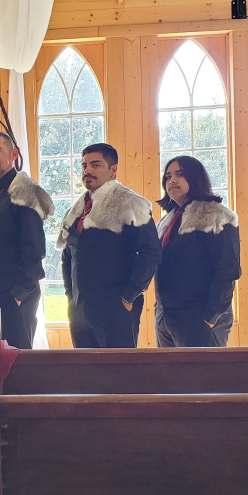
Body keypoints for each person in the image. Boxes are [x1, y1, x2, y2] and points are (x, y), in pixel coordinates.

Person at [58, 143, 162, 348]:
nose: (87, 170)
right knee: (86, 374)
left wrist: (129, 296)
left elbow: (151, 252)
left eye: (95, 165)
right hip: (79, 310)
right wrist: (71, 294)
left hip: (117, 309)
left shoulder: (131, 204)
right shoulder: (77, 209)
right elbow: (68, 253)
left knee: (120, 375)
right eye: (84, 166)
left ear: (113, 169)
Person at [0, 132, 53, 349]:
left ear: (13, 154)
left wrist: (19, 294)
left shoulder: (24, 192)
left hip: (16, 295)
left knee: (17, 365)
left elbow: (34, 249)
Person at [154, 155, 241, 347]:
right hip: (165, 316)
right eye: (168, 176)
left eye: (180, 174)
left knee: (201, 376)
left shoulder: (217, 216)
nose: (172, 180)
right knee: (168, 377)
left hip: (199, 316)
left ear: (196, 177)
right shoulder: (165, 222)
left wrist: (211, 316)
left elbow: (227, 270)